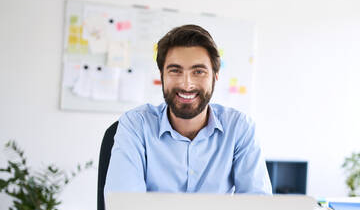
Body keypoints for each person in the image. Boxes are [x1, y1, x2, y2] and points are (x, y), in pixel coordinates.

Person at [104, 24, 272, 194]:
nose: (186, 84)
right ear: (161, 75)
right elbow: (125, 209)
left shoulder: (239, 128)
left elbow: (257, 208)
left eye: (198, 72)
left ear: (215, 76)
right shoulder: (136, 125)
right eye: (175, 71)